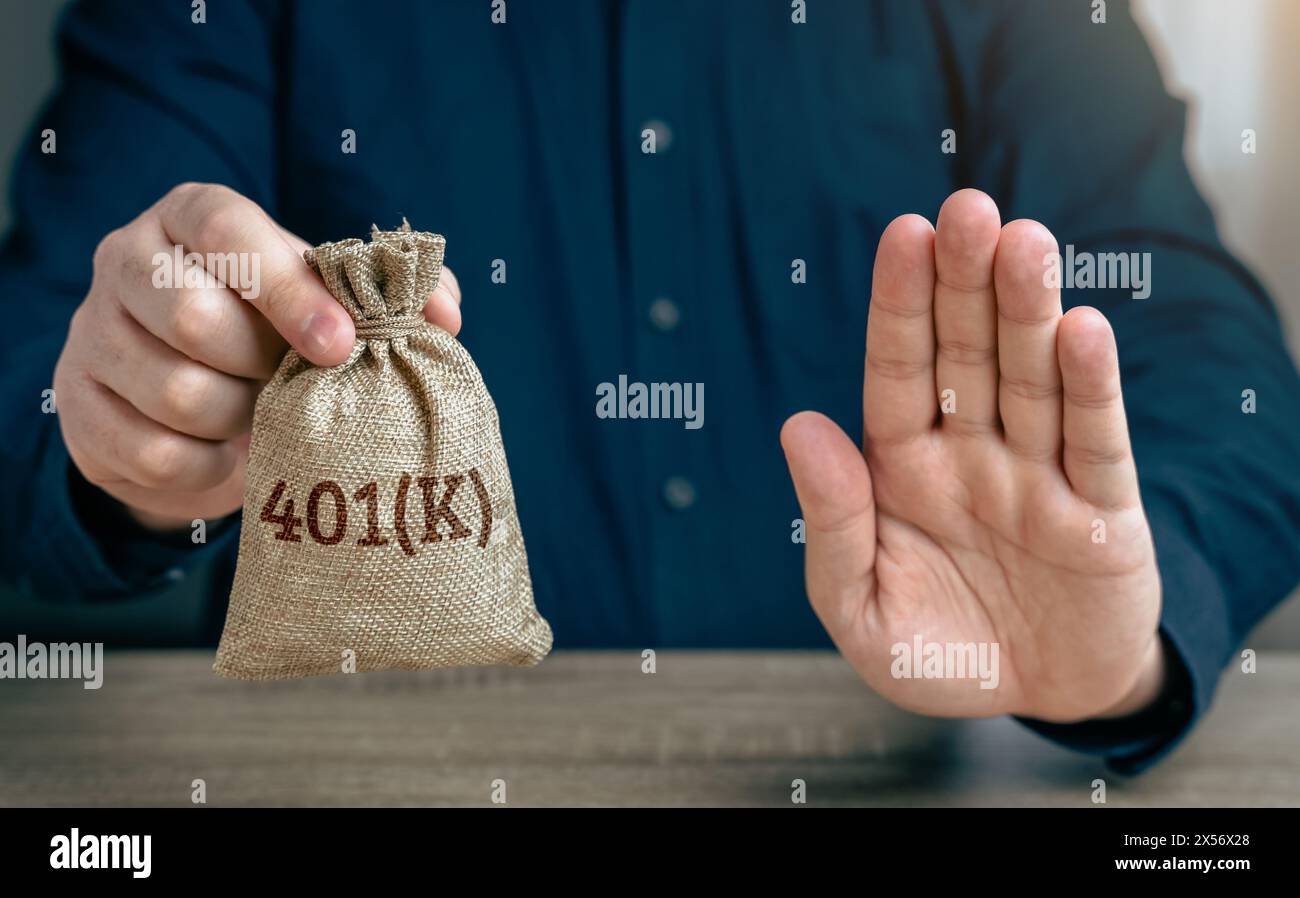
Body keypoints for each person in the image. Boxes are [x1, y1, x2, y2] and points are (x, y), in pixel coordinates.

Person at [1, 0, 1297, 774]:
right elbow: (39, 363)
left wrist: (1128, 630)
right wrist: (121, 435)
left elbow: (1218, 362)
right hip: (357, 777)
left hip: (896, 777)